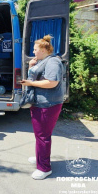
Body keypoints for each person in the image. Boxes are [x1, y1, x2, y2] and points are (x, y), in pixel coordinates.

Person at [20, 35, 64, 180]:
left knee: (43, 136)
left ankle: (44, 168)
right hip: (40, 102)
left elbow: (51, 83)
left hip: (48, 104)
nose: (34, 52)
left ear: (44, 49)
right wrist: (32, 66)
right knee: (40, 135)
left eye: (35, 49)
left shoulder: (53, 62)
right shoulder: (42, 61)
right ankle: (40, 157)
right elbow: (36, 77)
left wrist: (30, 84)